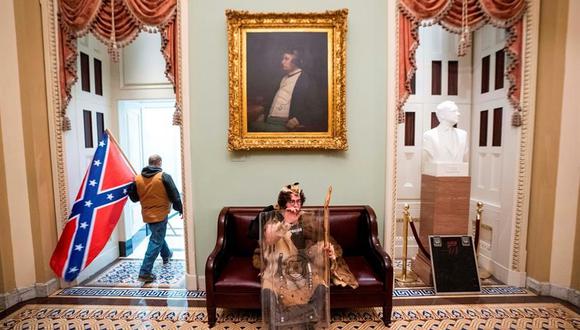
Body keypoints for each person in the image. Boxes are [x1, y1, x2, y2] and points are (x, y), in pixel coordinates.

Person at [249, 183, 357, 329]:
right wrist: (286, 222)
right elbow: (270, 238)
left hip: (302, 270)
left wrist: (325, 250)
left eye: (298, 201)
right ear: (283, 203)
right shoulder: (273, 218)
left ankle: (289, 318)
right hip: (278, 271)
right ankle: (302, 317)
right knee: (269, 292)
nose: (295, 205)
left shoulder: (307, 220)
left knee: (321, 287)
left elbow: (312, 249)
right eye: (291, 201)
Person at [128, 154, 183, 282]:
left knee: (157, 236)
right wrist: (180, 208)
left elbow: (134, 198)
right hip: (161, 213)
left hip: (147, 214)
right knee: (155, 241)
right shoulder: (163, 176)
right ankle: (144, 272)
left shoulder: (138, 179)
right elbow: (174, 195)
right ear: (159, 163)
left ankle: (166, 254)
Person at [249, 48, 327, 132]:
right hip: (268, 120)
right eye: (283, 59)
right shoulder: (282, 78)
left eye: (286, 59)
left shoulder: (307, 80)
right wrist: (264, 115)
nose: (282, 62)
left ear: (296, 61)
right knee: (251, 126)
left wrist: (298, 120)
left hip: (284, 125)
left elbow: (317, 110)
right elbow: (273, 99)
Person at [422, 100, 469, 172]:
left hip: (459, 177)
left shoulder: (463, 135)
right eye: (454, 111)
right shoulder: (429, 135)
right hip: (437, 178)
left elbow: (465, 159)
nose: (458, 114)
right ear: (442, 115)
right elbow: (427, 163)